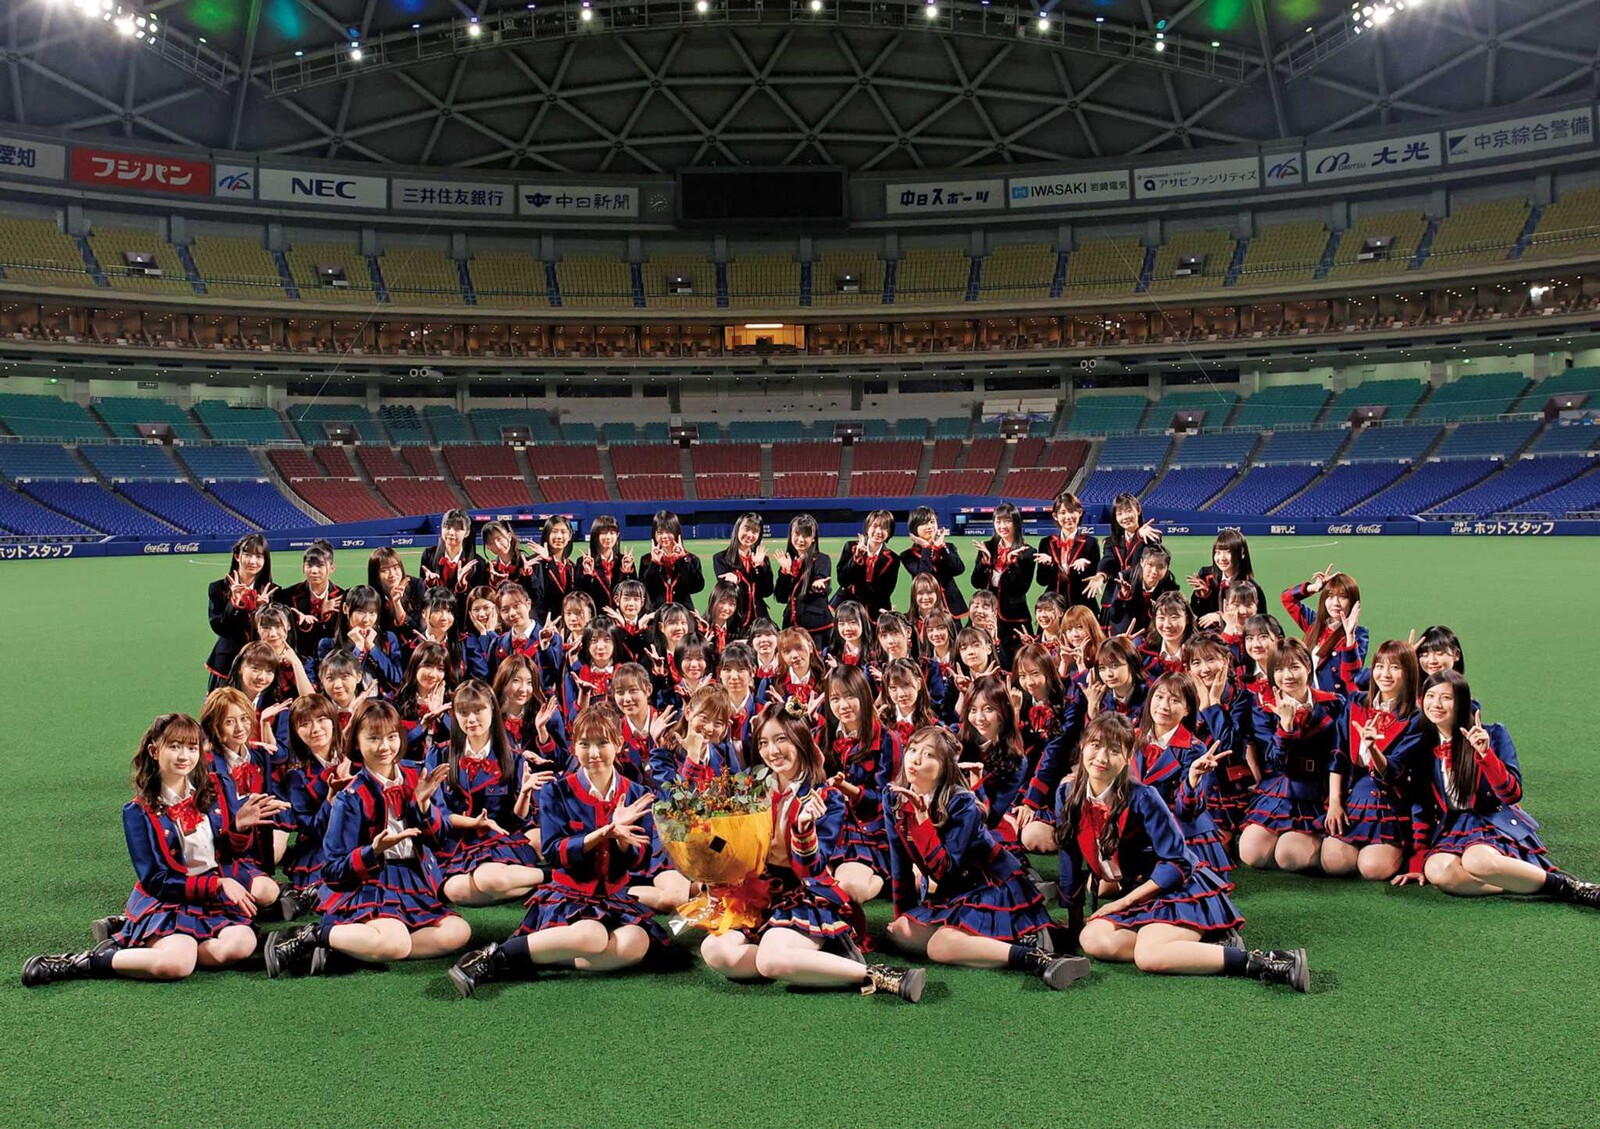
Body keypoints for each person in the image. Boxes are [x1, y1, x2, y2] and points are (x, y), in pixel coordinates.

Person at [23, 714, 286, 986]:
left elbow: (228, 853)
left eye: (192, 747)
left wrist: (239, 827)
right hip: (170, 899)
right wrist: (217, 884)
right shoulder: (137, 812)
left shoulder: (216, 787)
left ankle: (155, 944)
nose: (184, 756)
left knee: (239, 946)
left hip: (212, 899)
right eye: (174, 746)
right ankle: (86, 961)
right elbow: (156, 880)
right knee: (177, 964)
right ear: (154, 750)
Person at [1059, 714, 1309, 992]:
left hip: (1179, 888)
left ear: (1128, 757)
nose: (1102, 757)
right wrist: (1074, 924)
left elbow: (1178, 863)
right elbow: (1069, 861)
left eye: (1114, 750)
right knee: (1092, 939)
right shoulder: (1067, 793)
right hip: (1141, 892)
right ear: (1082, 746)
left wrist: (1122, 902)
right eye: (1095, 745)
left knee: (1149, 956)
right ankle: (1200, 945)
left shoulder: (1144, 796)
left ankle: (1268, 961)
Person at [697, 702, 924, 1002]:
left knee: (770, 959)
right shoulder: (751, 788)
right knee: (715, 951)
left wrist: (803, 828)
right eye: (763, 742)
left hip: (804, 895)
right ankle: (808, 961)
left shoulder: (826, 798)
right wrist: (706, 847)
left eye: (781, 739)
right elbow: (731, 844)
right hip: (758, 896)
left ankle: (880, 975)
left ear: (800, 740)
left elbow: (811, 868)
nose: (772, 751)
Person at [445, 704, 668, 996]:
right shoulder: (556, 792)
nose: (593, 753)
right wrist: (604, 832)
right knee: (592, 934)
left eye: (602, 743)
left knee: (636, 942)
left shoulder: (638, 795)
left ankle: (539, 955)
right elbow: (553, 853)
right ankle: (491, 957)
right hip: (569, 898)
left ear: (618, 744)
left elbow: (640, 863)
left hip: (614, 900)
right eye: (584, 744)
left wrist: (622, 840)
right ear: (574, 747)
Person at [263, 700, 472, 977]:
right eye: (373, 738)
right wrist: (372, 851)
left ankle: (348, 951)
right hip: (369, 884)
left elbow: (441, 840)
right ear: (357, 744)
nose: (385, 746)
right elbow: (331, 870)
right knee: (396, 942)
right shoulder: (349, 797)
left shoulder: (418, 775)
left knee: (458, 932)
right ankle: (309, 935)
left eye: (392, 736)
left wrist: (423, 806)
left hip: (413, 882)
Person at [885, 727, 1088, 989]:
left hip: (992, 886)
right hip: (955, 892)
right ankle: (1008, 940)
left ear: (945, 767)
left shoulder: (962, 803)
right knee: (901, 931)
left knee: (939, 947)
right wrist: (905, 914)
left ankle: (1038, 957)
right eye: (912, 749)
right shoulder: (893, 796)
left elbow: (945, 870)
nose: (915, 759)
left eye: (929, 754)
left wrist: (923, 820)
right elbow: (899, 863)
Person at [1389, 671, 1600, 908]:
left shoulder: (1494, 734)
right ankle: (1522, 884)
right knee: (1438, 871)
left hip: (1489, 821)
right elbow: (1422, 809)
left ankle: (1569, 887)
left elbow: (1511, 795)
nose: (1436, 704)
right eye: (1430, 696)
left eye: (1446, 697)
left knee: (1477, 861)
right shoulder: (1422, 747)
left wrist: (1485, 755)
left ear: (1462, 703)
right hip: (1452, 829)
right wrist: (1417, 862)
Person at [206, 534, 276, 689]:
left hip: (261, 664)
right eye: (247, 554)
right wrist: (235, 604)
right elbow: (219, 628)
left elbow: (275, 630)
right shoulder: (218, 588)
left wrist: (261, 610)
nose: (253, 561)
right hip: (227, 663)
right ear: (237, 556)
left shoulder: (271, 591)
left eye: (259, 556)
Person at [969, 502, 1036, 656]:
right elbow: (976, 582)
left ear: (1016, 523)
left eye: (1007, 521)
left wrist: (1012, 565)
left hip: (1014, 617)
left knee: (1018, 658)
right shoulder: (987, 547)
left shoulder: (1027, 552)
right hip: (986, 614)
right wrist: (985, 562)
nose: (1002, 526)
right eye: (998, 521)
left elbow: (1021, 588)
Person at [1035, 490, 1100, 614]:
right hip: (1054, 608)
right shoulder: (1046, 543)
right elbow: (1042, 581)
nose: (1068, 517)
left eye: (1072, 511)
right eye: (1063, 512)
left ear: (1080, 512)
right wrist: (1049, 564)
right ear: (1055, 516)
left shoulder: (1090, 542)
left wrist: (1085, 566)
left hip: (1082, 606)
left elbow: (1094, 577)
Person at [712, 512, 775, 635]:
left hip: (760, 620)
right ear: (737, 529)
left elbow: (767, 592)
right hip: (735, 622)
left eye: (755, 531)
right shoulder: (721, 558)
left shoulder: (763, 559)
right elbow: (727, 592)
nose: (750, 535)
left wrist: (759, 567)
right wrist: (737, 579)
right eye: (746, 529)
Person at [773, 514, 833, 641]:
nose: (800, 539)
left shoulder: (821, 559)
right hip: (791, 627)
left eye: (806, 535)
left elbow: (822, 578)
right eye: (797, 534)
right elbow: (781, 598)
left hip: (816, 629)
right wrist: (785, 572)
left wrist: (819, 584)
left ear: (813, 538)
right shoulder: (788, 561)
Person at [900, 505, 966, 618]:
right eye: (924, 523)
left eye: (932, 522)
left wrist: (941, 547)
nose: (929, 526)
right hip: (925, 608)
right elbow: (923, 575)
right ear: (914, 528)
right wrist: (926, 547)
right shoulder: (907, 555)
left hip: (951, 609)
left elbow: (958, 569)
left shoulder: (948, 547)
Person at [835, 510, 900, 620]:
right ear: (867, 527)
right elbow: (843, 580)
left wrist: (857, 587)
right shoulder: (850, 547)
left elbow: (885, 592)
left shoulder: (893, 559)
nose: (878, 532)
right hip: (849, 606)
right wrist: (856, 559)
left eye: (884, 528)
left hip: (875, 611)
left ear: (890, 532)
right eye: (874, 526)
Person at [639, 510, 703, 610]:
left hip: (683, 613)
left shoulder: (691, 559)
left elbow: (696, 587)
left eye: (669, 531)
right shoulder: (646, 560)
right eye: (660, 532)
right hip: (656, 614)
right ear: (654, 534)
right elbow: (644, 589)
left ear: (677, 532)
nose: (664, 536)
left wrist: (681, 560)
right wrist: (655, 563)